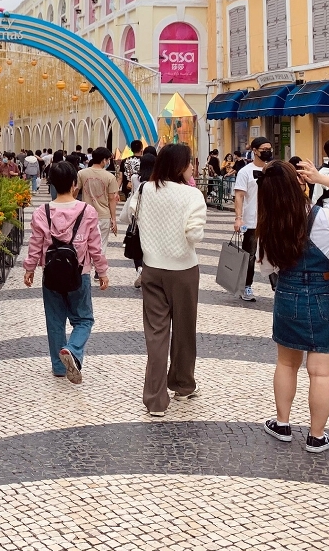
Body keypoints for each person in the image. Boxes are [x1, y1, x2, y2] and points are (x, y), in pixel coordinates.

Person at [259, 159, 329, 453]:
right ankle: (316, 436)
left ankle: (282, 423)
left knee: (286, 363)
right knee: (321, 373)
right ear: (299, 184)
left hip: (287, 293)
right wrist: (320, 178)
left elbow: (267, 268)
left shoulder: (268, 225)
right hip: (326, 294)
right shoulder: (327, 216)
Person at [129, 143, 206, 417]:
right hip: (183, 270)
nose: (192, 167)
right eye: (189, 162)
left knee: (156, 334)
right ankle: (183, 385)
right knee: (184, 330)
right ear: (179, 166)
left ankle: (155, 400)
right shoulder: (192, 194)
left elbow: (129, 214)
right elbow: (194, 234)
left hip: (151, 269)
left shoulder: (144, 189)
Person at [22, 161, 109, 383]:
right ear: (74, 184)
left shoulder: (42, 212)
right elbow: (95, 246)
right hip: (79, 274)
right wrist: (102, 271)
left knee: (55, 321)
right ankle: (72, 349)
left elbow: (35, 244)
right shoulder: (87, 211)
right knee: (84, 319)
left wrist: (30, 268)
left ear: (51, 184)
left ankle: (59, 367)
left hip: (51, 275)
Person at [232, 137, 272, 303]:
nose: (267, 152)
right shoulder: (245, 172)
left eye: (269, 149)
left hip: (271, 220)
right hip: (251, 220)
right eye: (264, 149)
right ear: (255, 151)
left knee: (275, 253)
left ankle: (278, 286)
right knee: (249, 255)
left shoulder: (273, 169)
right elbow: (239, 196)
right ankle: (246, 285)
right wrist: (238, 218)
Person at [76, 147, 120, 239]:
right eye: (108, 160)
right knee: (101, 244)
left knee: (85, 242)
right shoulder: (110, 177)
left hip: (86, 214)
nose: (108, 162)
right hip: (103, 215)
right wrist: (113, 219)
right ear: (103, 160)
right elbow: (112, 199)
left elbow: (75, 191)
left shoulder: (81, 173)